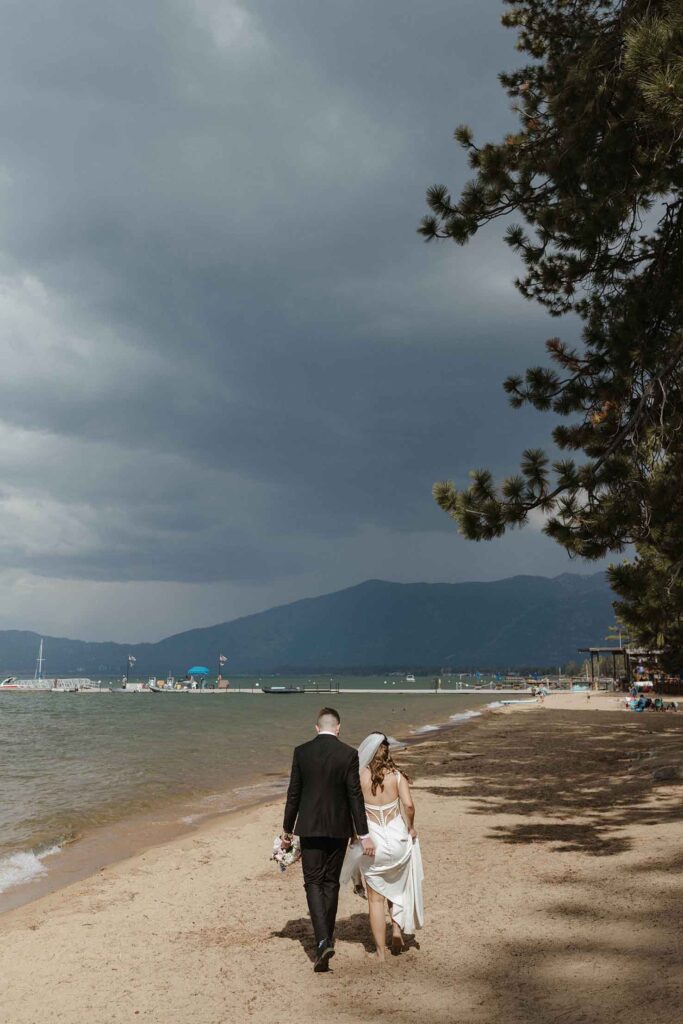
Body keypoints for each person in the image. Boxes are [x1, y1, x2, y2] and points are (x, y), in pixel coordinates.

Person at [280, 708, 374, 973]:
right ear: (339, 728)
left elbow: (293, 793)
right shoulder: (348, 754)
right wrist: (363, 834)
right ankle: (326, 940)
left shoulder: (302, 752)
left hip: (309, 827)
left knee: (312, 882)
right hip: (338, 828)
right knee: (331, 882)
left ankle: (322, 940)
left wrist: (287, 829)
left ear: (316, 727)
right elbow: (355, 796)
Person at [344, 732, 424, 962]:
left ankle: (380, 953)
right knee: (398, 887)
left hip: (373, 842)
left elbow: (353, 812)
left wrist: (354, 838)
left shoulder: (359, 776)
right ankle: (396, 930)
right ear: (387, 752)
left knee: (375, 898)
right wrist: (411, 827)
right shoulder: (397, 776)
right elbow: (408, 805)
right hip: (397, 839)